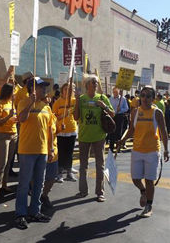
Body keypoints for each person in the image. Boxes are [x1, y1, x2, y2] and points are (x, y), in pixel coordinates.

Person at [117, 86, 169, 218]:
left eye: (148, 96)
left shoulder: (157, 113)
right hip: (137, 150)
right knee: (135, 179)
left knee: (149, 180)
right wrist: (122, 140)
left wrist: (166, 149)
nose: (145, 98)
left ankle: (148, 206)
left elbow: (163, 132)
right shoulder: (135, 112)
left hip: (152, 151)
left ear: (153, 99)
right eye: (143, 95)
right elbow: (131, 130)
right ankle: (143, 191)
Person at [14, 77, 54, 229]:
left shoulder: (47, 107)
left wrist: (50, 149)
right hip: (26, 150)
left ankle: (35, 211)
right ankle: (20, 214)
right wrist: (31, 102)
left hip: (42, 150)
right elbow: (21, 119)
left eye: (45, 87)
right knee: (24, 184)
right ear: (32, 88)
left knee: (39, 183)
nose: (44, 89)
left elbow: (49, 129)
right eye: (41, 87)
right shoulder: (24, 102)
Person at [74, 74, 114, 202]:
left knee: (100, 165)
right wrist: (76, 101)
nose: (96, 85)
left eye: (96, 82)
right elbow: (75, 117)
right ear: (87, 85)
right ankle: (83, 191)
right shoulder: (81, 99)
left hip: (99, 136)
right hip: (84, 137)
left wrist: (104, 106)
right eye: (93, 82)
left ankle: (100, 192)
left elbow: (113, 114)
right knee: (83, 165)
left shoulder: (102, 98)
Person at [0, 83, 18, 198]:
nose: (15, 94)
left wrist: (14, 119)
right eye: (14, 91)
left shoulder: (11, 103)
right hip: (3, 135)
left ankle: (4, 184)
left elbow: (12, 118)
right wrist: (8, 117)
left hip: (13, 134)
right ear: (8, 92)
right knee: (2, 162)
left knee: (9, 162)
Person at [52, 83, 78, 182]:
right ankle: (59, 173)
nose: (68, 91)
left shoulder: (75, 101)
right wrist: (63, 115)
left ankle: (69, 173)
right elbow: (53, 118)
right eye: (66, 89)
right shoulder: (58, 102)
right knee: (61, 153)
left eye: (70, 89)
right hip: (60, 131)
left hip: (72, 130)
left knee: (70, 153)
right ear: (62, 90)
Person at [41, 96, 58, 209]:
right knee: (38, 178)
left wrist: (60, 128)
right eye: (45, 95)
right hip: (42, 150)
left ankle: (44, 195)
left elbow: (53, 131)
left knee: (51, 177)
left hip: (53, 151)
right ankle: (37, 197)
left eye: (48, 95)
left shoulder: (49, 111)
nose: (47, 97)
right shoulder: (38, 110)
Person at [108, 87, 129, 152]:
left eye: (116, 92)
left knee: (118, 132)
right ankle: (111, 148)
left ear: (119, 92)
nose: (115, 93)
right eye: (114, 92)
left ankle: (118, 147)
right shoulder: (110, 99)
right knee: (111, 131)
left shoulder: (123, 99)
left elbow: (126, 108)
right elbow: (108, 107)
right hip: (112, 116)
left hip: (119, 116)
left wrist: (120, 109)